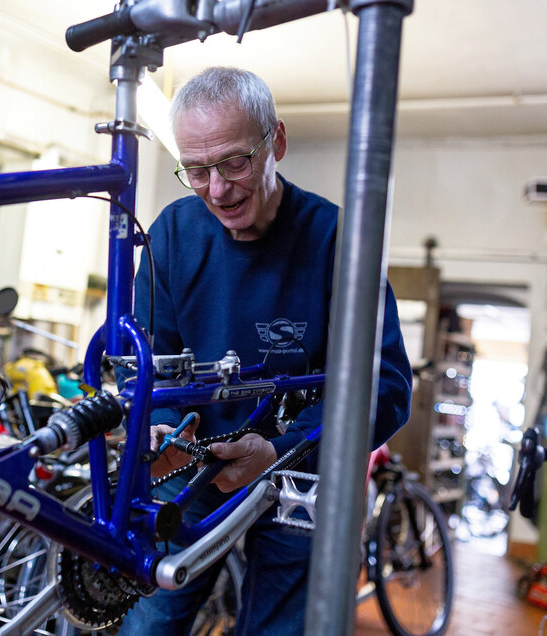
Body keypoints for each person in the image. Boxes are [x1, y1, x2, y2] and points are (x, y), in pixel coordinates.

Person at [118, 66, 413, 635]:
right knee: (147, 622)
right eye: (197, 170)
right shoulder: (174, 236)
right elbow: (152, 365)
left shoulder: (337, 242)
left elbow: (386, 386)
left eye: (234, 162)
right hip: (195, 472)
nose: (218, 190)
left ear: (275, 141)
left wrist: (281, 451)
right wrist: (163, 427)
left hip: (302, 477)